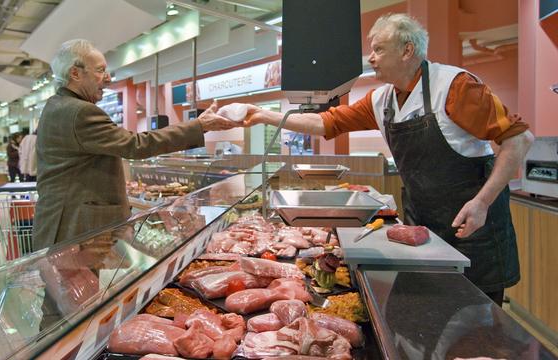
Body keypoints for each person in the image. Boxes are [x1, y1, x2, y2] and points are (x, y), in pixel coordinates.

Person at [241, 13, 534, 305]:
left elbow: (519, 139)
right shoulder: (382, 100)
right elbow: (326, 122)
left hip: (475, 228)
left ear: (407, 50)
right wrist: (263, 116)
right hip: (423, 226)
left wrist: (482, 202)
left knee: (476, 325)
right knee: (428, 315)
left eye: (379, 49)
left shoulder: (456, 87)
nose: (371, 58)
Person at [32, 39, 237, 250]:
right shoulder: (80, 111)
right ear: (75, 73)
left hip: (65, 222)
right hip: (74, 227)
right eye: (101, 70)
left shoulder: (56, 106)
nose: (108, 78)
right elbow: (135, 145)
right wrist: (198, 126)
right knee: (76, 283)